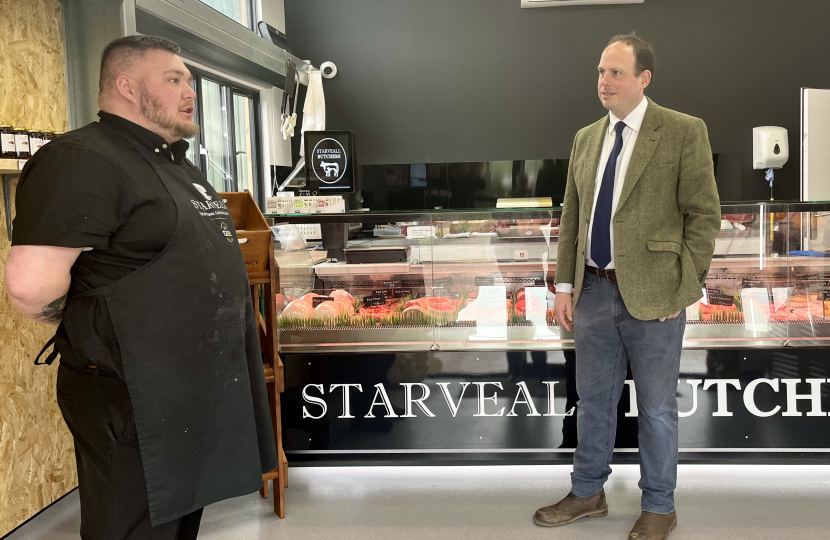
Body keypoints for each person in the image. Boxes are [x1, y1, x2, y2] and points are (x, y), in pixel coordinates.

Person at [5, 35, 277, 540]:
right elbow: (29, 286)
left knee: (177, 525)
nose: (189, 91)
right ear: (127, 86)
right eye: (173, 79)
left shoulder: (174, 162)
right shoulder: (83, 158)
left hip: (188, 391)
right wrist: (99, 333)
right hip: (130, 398)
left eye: (189, 81)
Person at [533, 33, 720, 539]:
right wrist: (565, 286)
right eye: (599, 72)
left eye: (615, 72)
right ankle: (588, 492)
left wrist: (683, 288)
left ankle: (660, 505)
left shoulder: (682, 131)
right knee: (592, 401)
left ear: (644, 78)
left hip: (656, 296)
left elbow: (703, 217)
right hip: (593, 292)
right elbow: (572, 218)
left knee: (657, 408)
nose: (603, 82)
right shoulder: (586, 138)